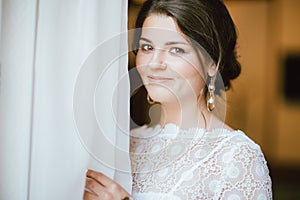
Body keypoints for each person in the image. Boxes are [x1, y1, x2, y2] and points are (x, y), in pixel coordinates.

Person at [84, 0, 272, 199]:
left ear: (212, 63)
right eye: (147, 47)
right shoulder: (128, 143)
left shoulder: (237, 157)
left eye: (176, 50)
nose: (154, 63)